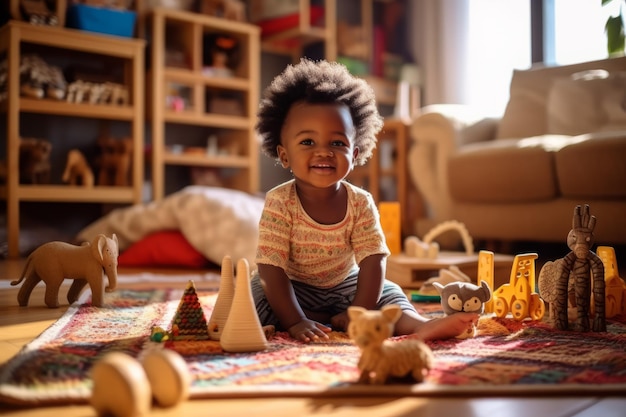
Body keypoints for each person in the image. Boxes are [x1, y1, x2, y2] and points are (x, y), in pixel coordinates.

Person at [251, 58, 478, 343]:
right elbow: (271, 267)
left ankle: (420, 325)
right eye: (308, 142)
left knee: (390, 291)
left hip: (348, 287)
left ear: (355, 154)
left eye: (337, 143)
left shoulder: (360, 202)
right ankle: (316, 319)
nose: (323, 152)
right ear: (284, 155)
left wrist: (359, 308)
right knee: (258, 294)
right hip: (294, 289)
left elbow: (372, 261)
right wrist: (294, 321)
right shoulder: (280, 201)